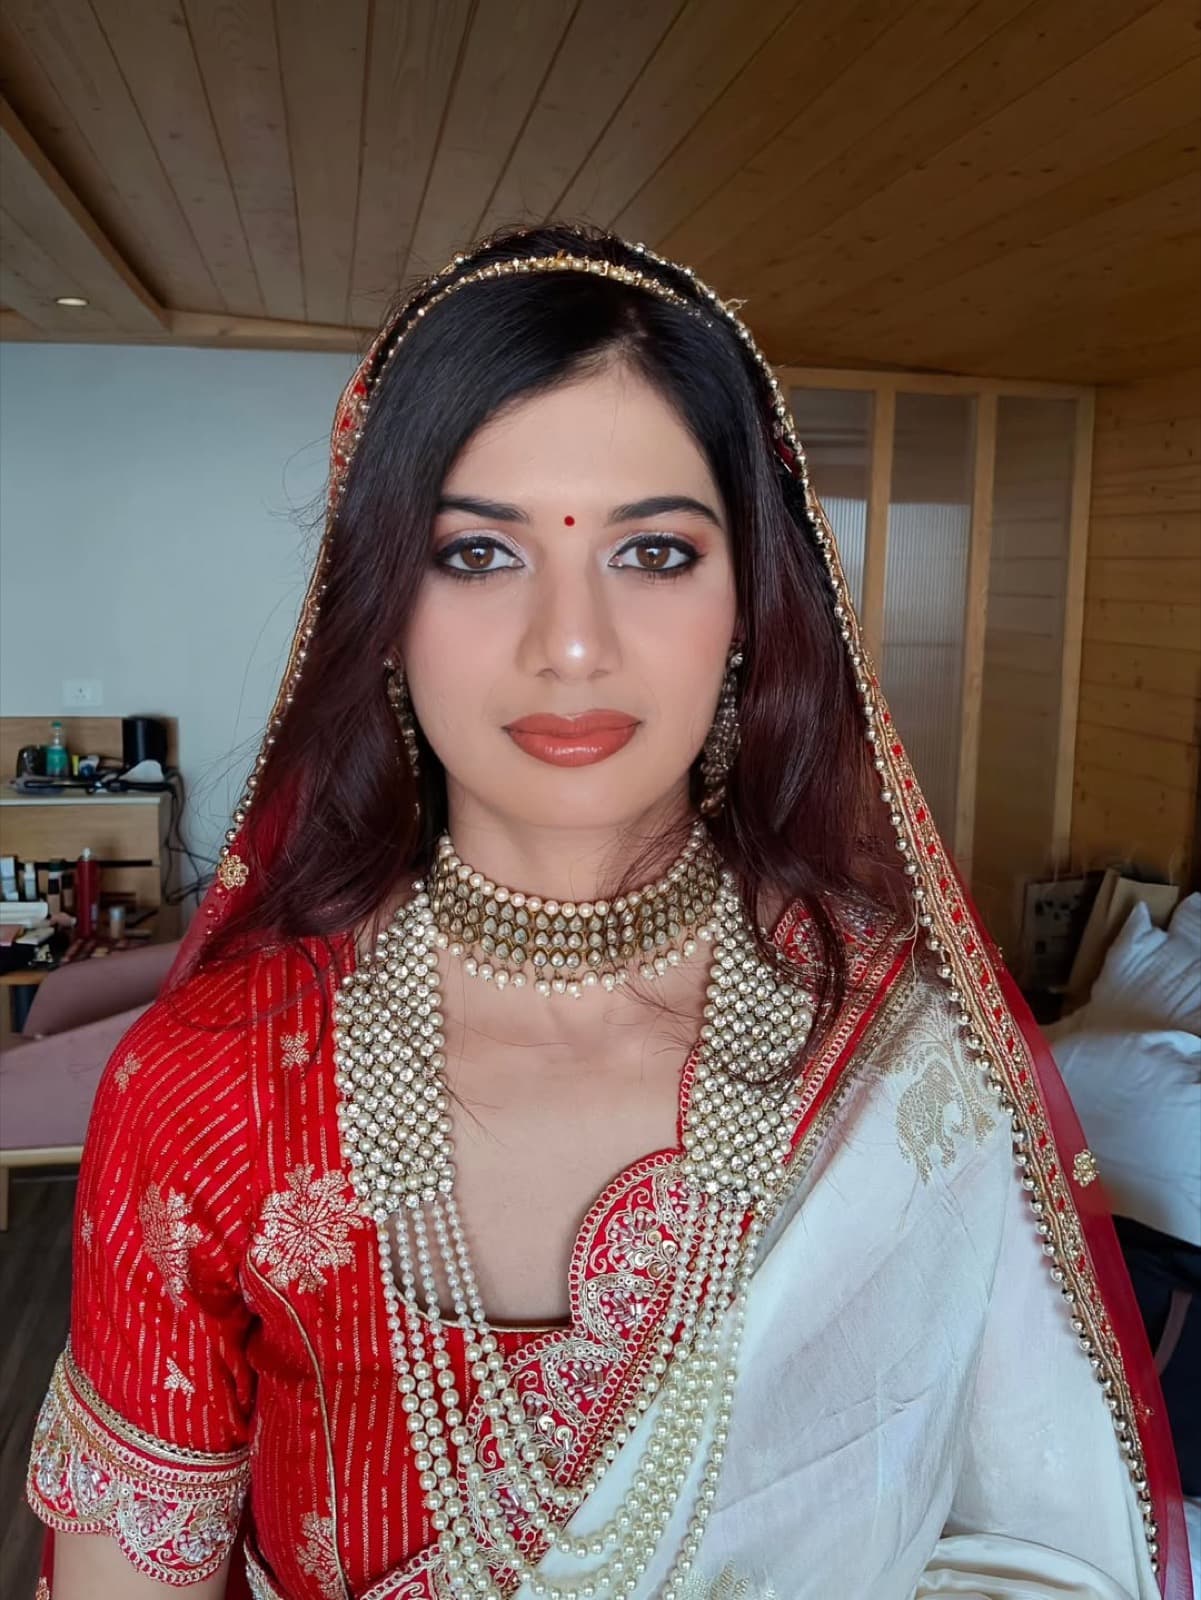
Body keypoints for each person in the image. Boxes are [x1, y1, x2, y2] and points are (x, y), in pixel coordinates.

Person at [24, 224, 1190, 1600]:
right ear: (381, 605)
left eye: (651, 552)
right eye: (475, 555)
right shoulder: (207, 1084)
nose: (568, 643)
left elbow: (1038, 1544)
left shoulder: (897, 1047)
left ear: (750, 600)